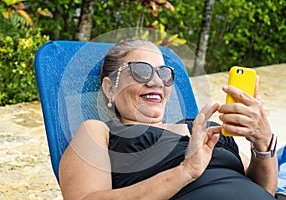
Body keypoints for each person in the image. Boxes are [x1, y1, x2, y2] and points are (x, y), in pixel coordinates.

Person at [59, 39, 278, 199]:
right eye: (141, 71)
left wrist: (263, 143)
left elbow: (264, 189)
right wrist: (184, 172)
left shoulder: (207, 129)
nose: (156, 82)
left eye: (164, 73)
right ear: (109, 88)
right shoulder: (99, 132)